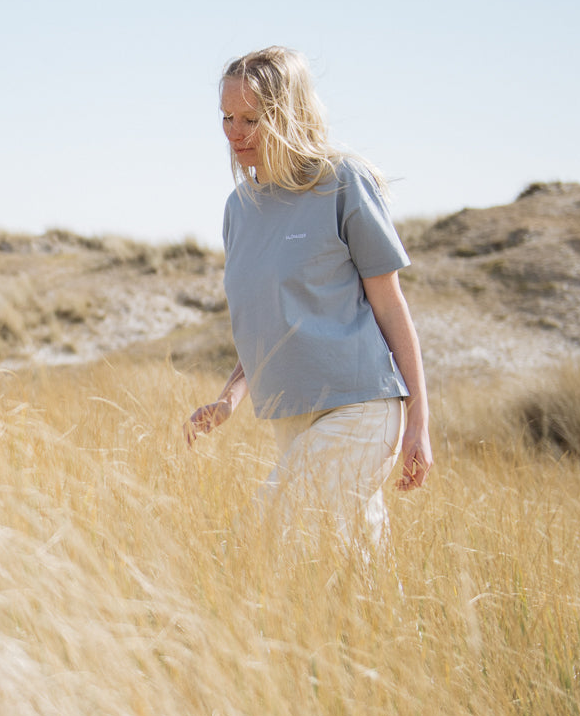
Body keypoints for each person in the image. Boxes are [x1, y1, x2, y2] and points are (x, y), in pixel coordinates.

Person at [185, 46, 432, 548]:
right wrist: (229, 399)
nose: (234, 132)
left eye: (251, 119)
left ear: (287, 116)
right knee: (347, 569)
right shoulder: (240, 209)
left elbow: (390, 306)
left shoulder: (342, 183)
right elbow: (268, 321)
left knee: (257, 541)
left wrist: (419, 423)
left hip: (360, 408)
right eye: (226, 117)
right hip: (290, 413)